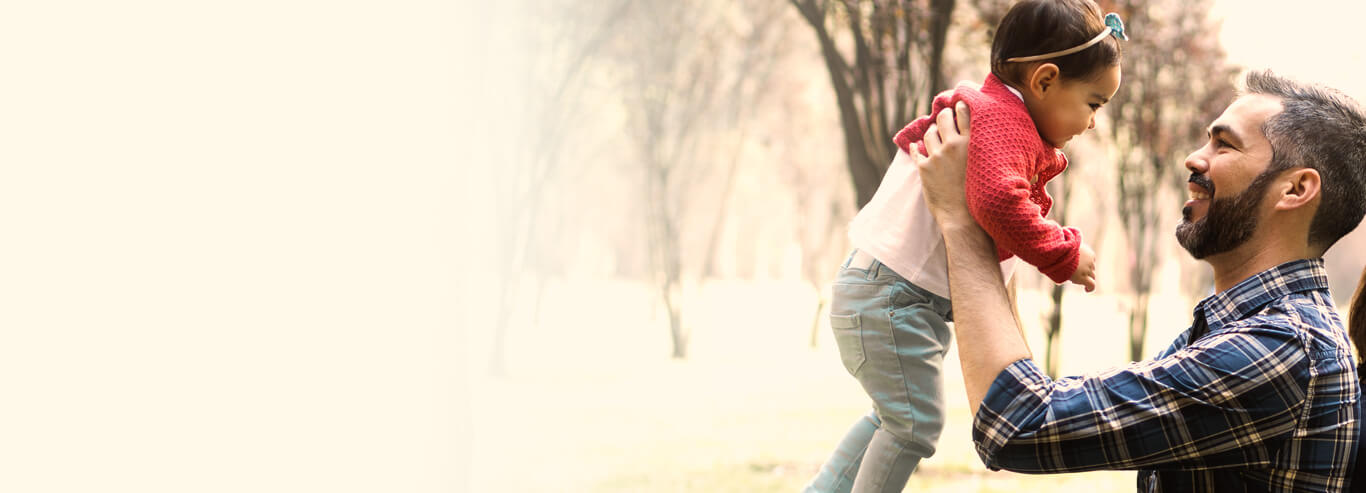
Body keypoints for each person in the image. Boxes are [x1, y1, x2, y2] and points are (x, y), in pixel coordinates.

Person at [914, 69, 1365, 491]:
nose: (1194, 158)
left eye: (1224, 145)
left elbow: (1019, 425)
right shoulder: (1237, 329)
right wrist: (999, 217)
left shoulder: (1281, 349)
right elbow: (1047, 404)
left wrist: (960, 219)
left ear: (1295, 189)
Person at [806, 1, 1125, 492]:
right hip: (892, 296)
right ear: (1043, 81)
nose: (1092, 123)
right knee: (913, 426)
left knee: (891, 419)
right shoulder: (1001, 121)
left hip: (884, 293)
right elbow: (999, 202)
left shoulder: (999, 120)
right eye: (1094, 103)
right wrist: (1064, 252)